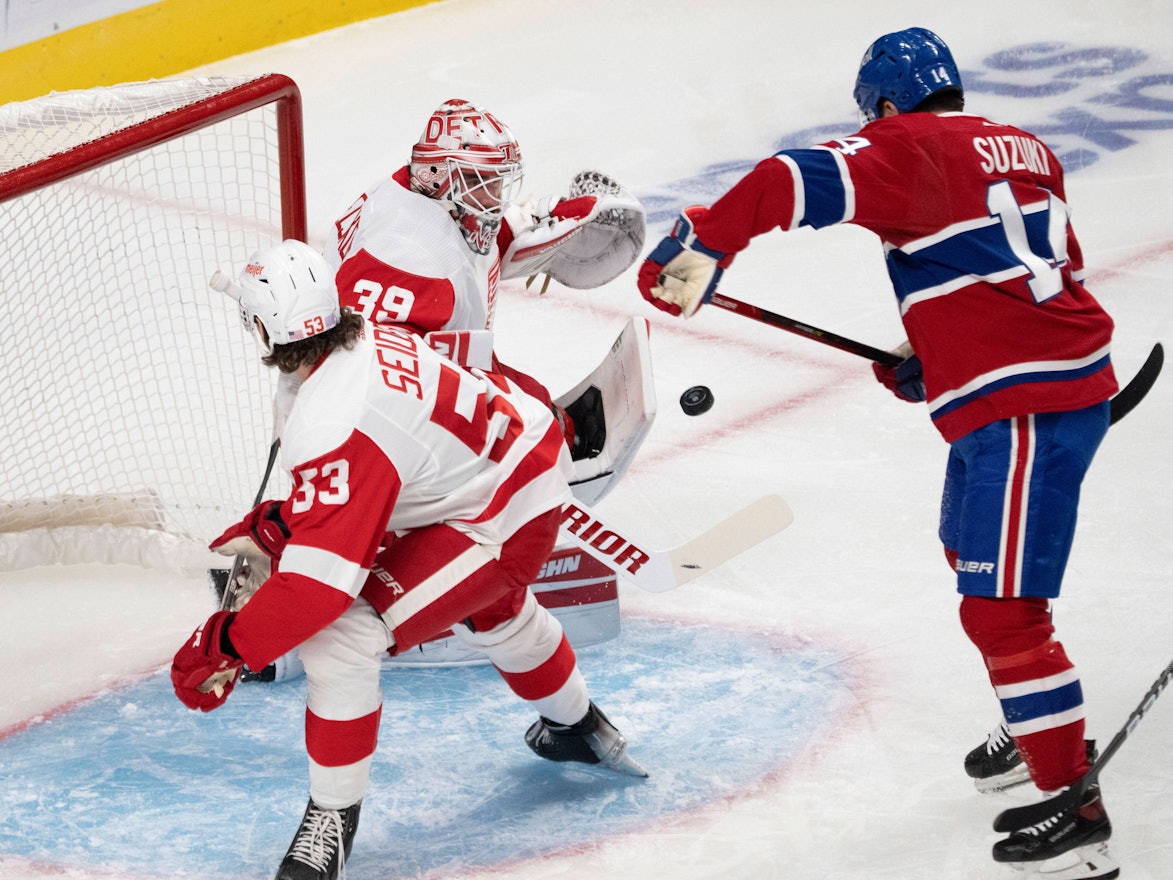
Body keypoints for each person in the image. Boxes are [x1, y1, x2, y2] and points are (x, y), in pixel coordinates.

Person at [637, 27, 1119, 880]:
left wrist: (703, 243)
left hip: (1024, 407)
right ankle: (1036, 706)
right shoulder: (1026, 148)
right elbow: (1030, 269)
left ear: (887, 108)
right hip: (1043, 382)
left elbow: (786, 179)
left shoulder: (907, 145)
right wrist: (937, 356)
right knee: (969, 553)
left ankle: (1070, 804)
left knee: (1000, 611)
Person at [171, 240, 646, 880]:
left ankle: (331, 823)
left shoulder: (332, 415)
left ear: (264, 327)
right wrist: (282, 525)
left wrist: (225, 643)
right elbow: (383, 473)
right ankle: (580, 730)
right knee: (495, 611)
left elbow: (319, 594)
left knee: (343, 637)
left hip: (501, 512)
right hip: (501, 464)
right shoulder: (362, 338)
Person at [322, 97, 646, 463]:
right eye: (480, 181)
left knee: (536, 408)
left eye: (496, 181)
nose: (493, 197)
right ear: (438, 177)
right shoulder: (406, 250)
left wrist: (535, 225)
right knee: (536, 434)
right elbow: (357, 362)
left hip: (405, 375)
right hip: (368, 426)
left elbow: (467, 242)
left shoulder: (427, 196)